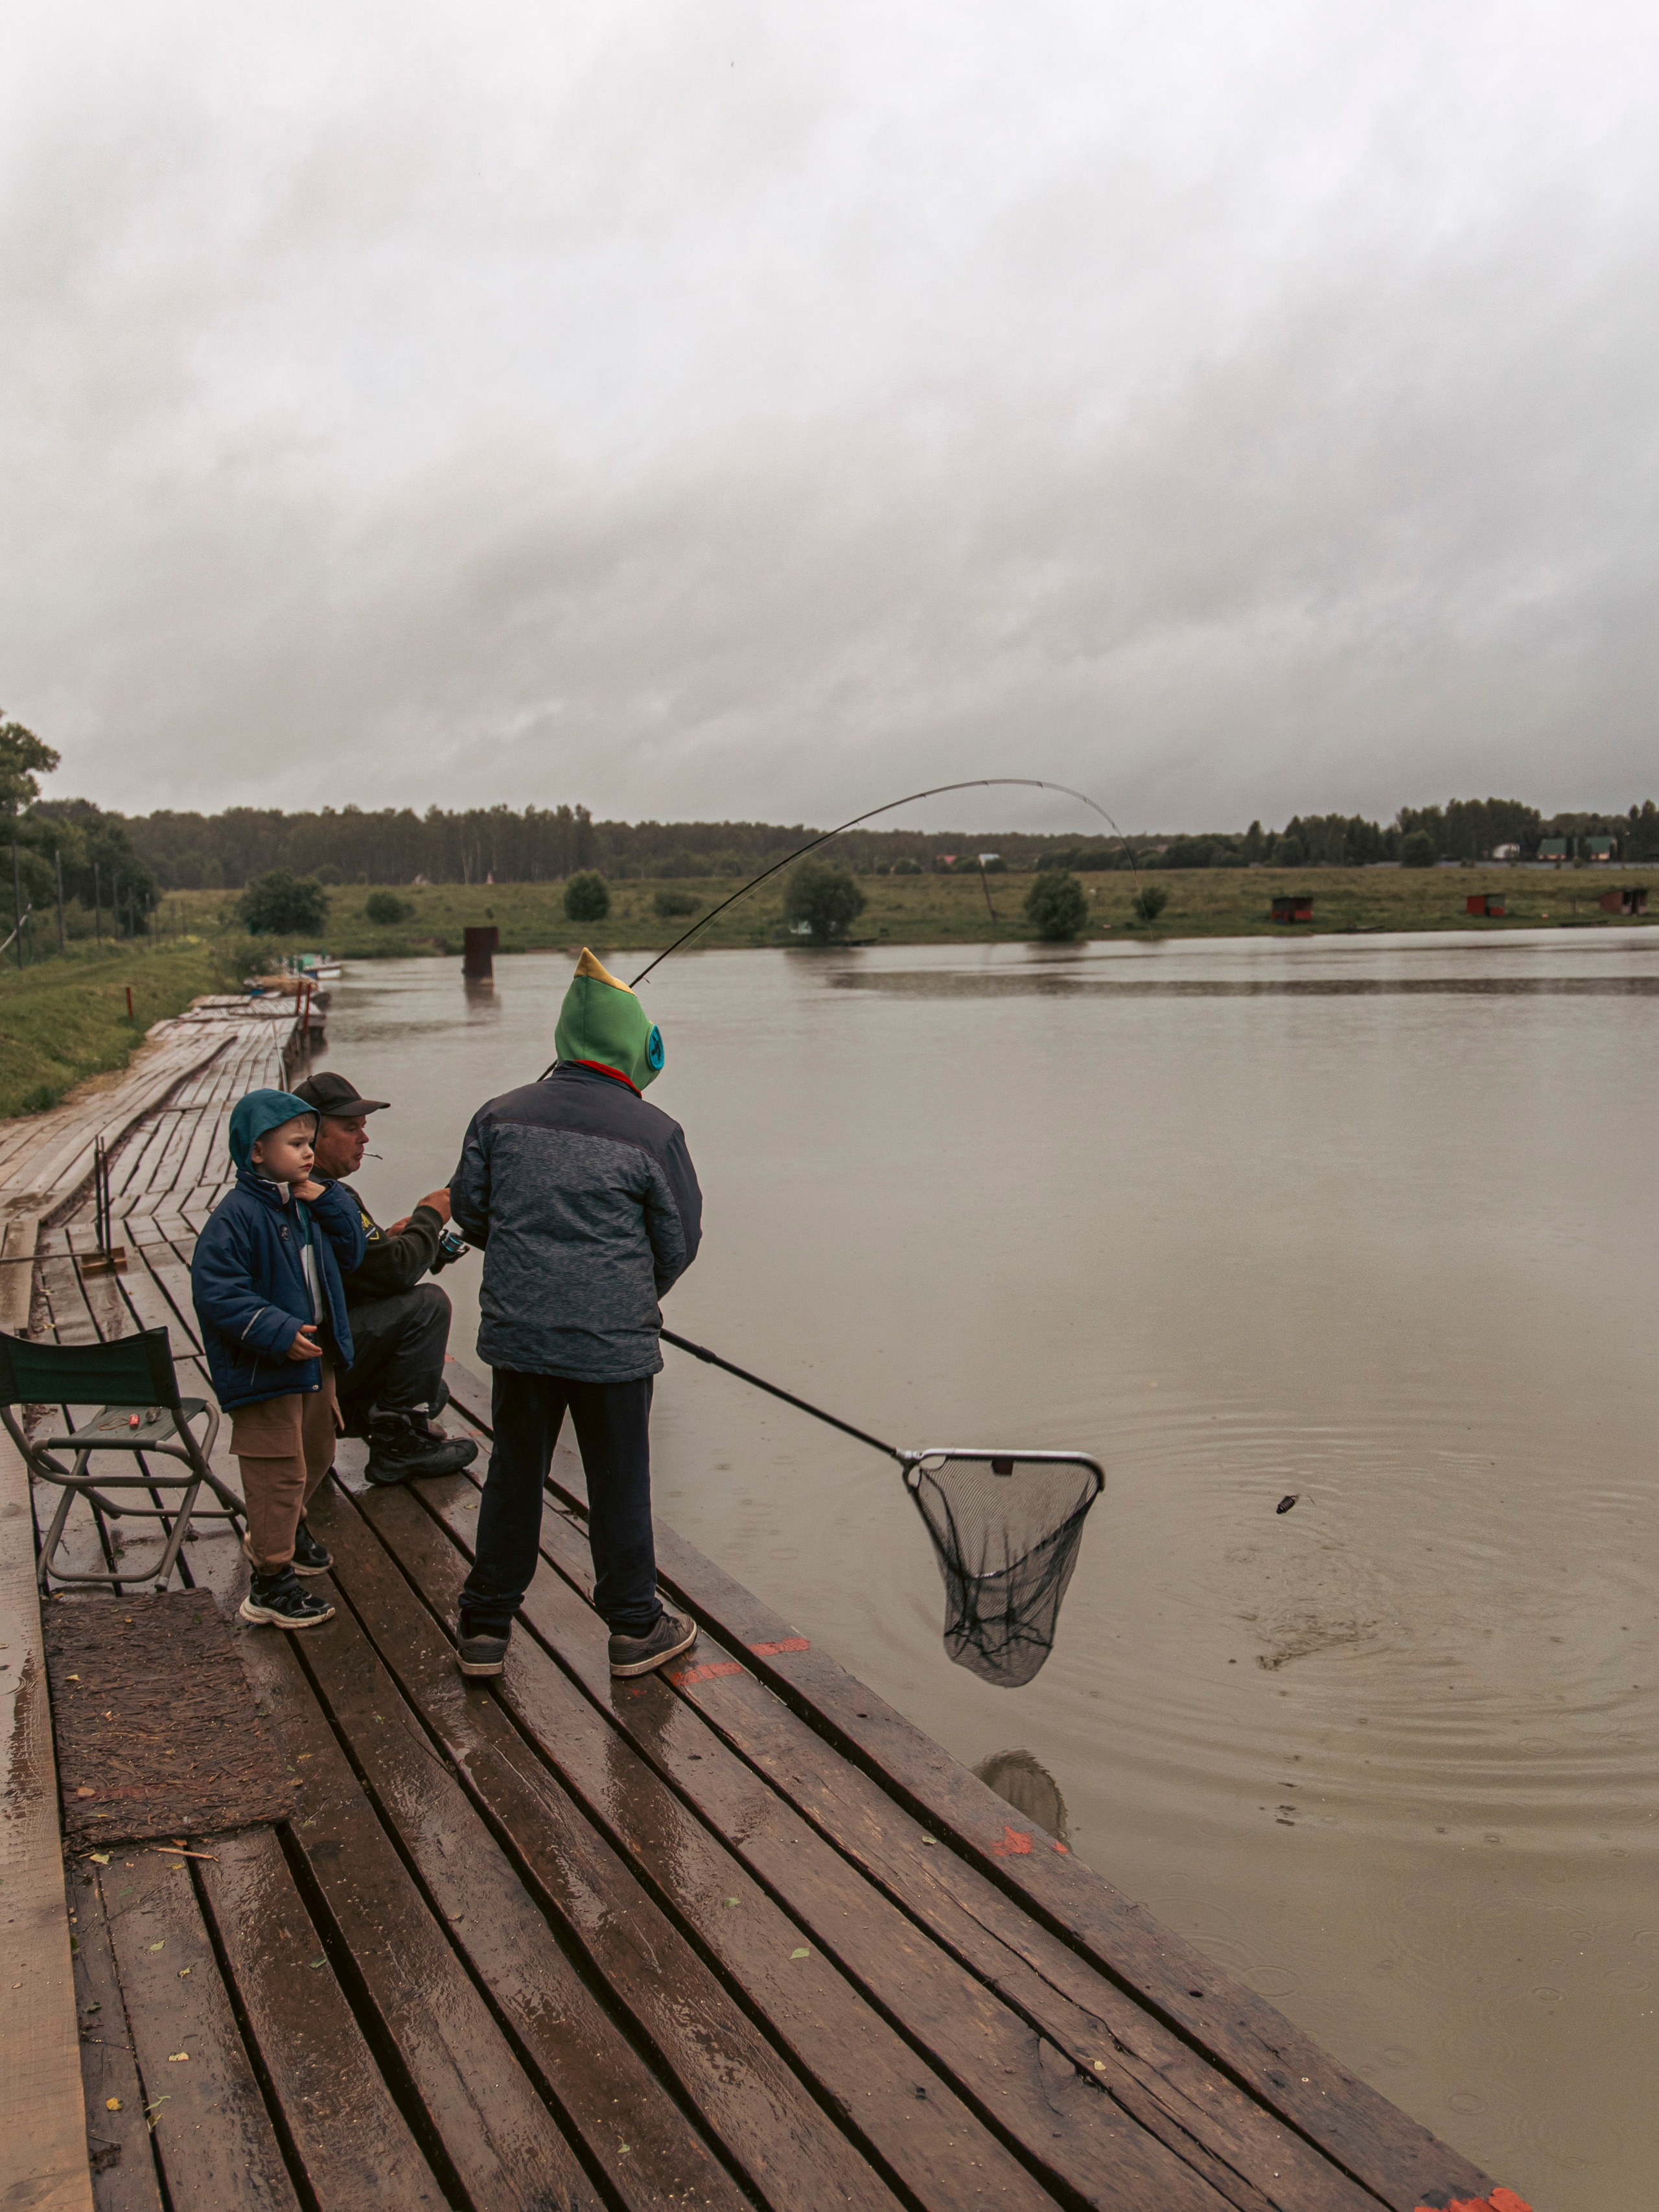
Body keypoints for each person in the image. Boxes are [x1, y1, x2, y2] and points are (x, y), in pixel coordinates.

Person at [448, 948, 702, 1681]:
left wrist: (536, 1273)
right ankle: (633, 1627)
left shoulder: (498, 1114)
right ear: (633, 1043)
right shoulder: (654, 1132)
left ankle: (484, 1628)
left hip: (519, 1334)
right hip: (613, 1346)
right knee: (618, 1479)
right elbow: (679, 1242)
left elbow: (470, 1211)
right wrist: (624, 1293)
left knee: (514, 1472)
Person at [190, 1089, 365, 1630]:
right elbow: (217, 1291)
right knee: (277, 1471)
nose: (309, 1152)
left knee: (317, 1451)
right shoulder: (237, 1217)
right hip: (265, 1367)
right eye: (295, 1144)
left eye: (310, 1142)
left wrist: (329, 1197)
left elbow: (353, 1251)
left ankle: (288, 1531)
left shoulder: (307, 1202)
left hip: (314, 1359)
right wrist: (278, 1330)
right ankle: (270, 1581)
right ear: (258, 1152)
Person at [290, 1070, 479, 1486]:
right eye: (351, 1128)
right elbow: (396, 1273)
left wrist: (397, 1238)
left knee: (433, 1391)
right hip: (311, 1366)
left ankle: (382, 1423)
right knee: (428, 1304)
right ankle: (400, 1448)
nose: (364, 1139)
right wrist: (431, 1215)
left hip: (301, 1361)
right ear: (313, 1135)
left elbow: (367, 1268)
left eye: (364, 1128)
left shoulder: (291, 1187)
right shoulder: (326, 1197)